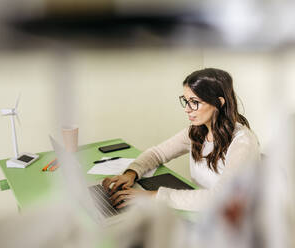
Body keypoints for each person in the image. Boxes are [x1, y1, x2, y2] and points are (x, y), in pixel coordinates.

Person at [102, 68, 260, 211]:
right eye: (186, 101)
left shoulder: (243, 142)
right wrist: (131, 173)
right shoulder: (197, 131)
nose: (187, 109)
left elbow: (222, 198)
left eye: (195, 102)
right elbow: (158, 153)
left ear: (218, 103)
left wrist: (153, 196)